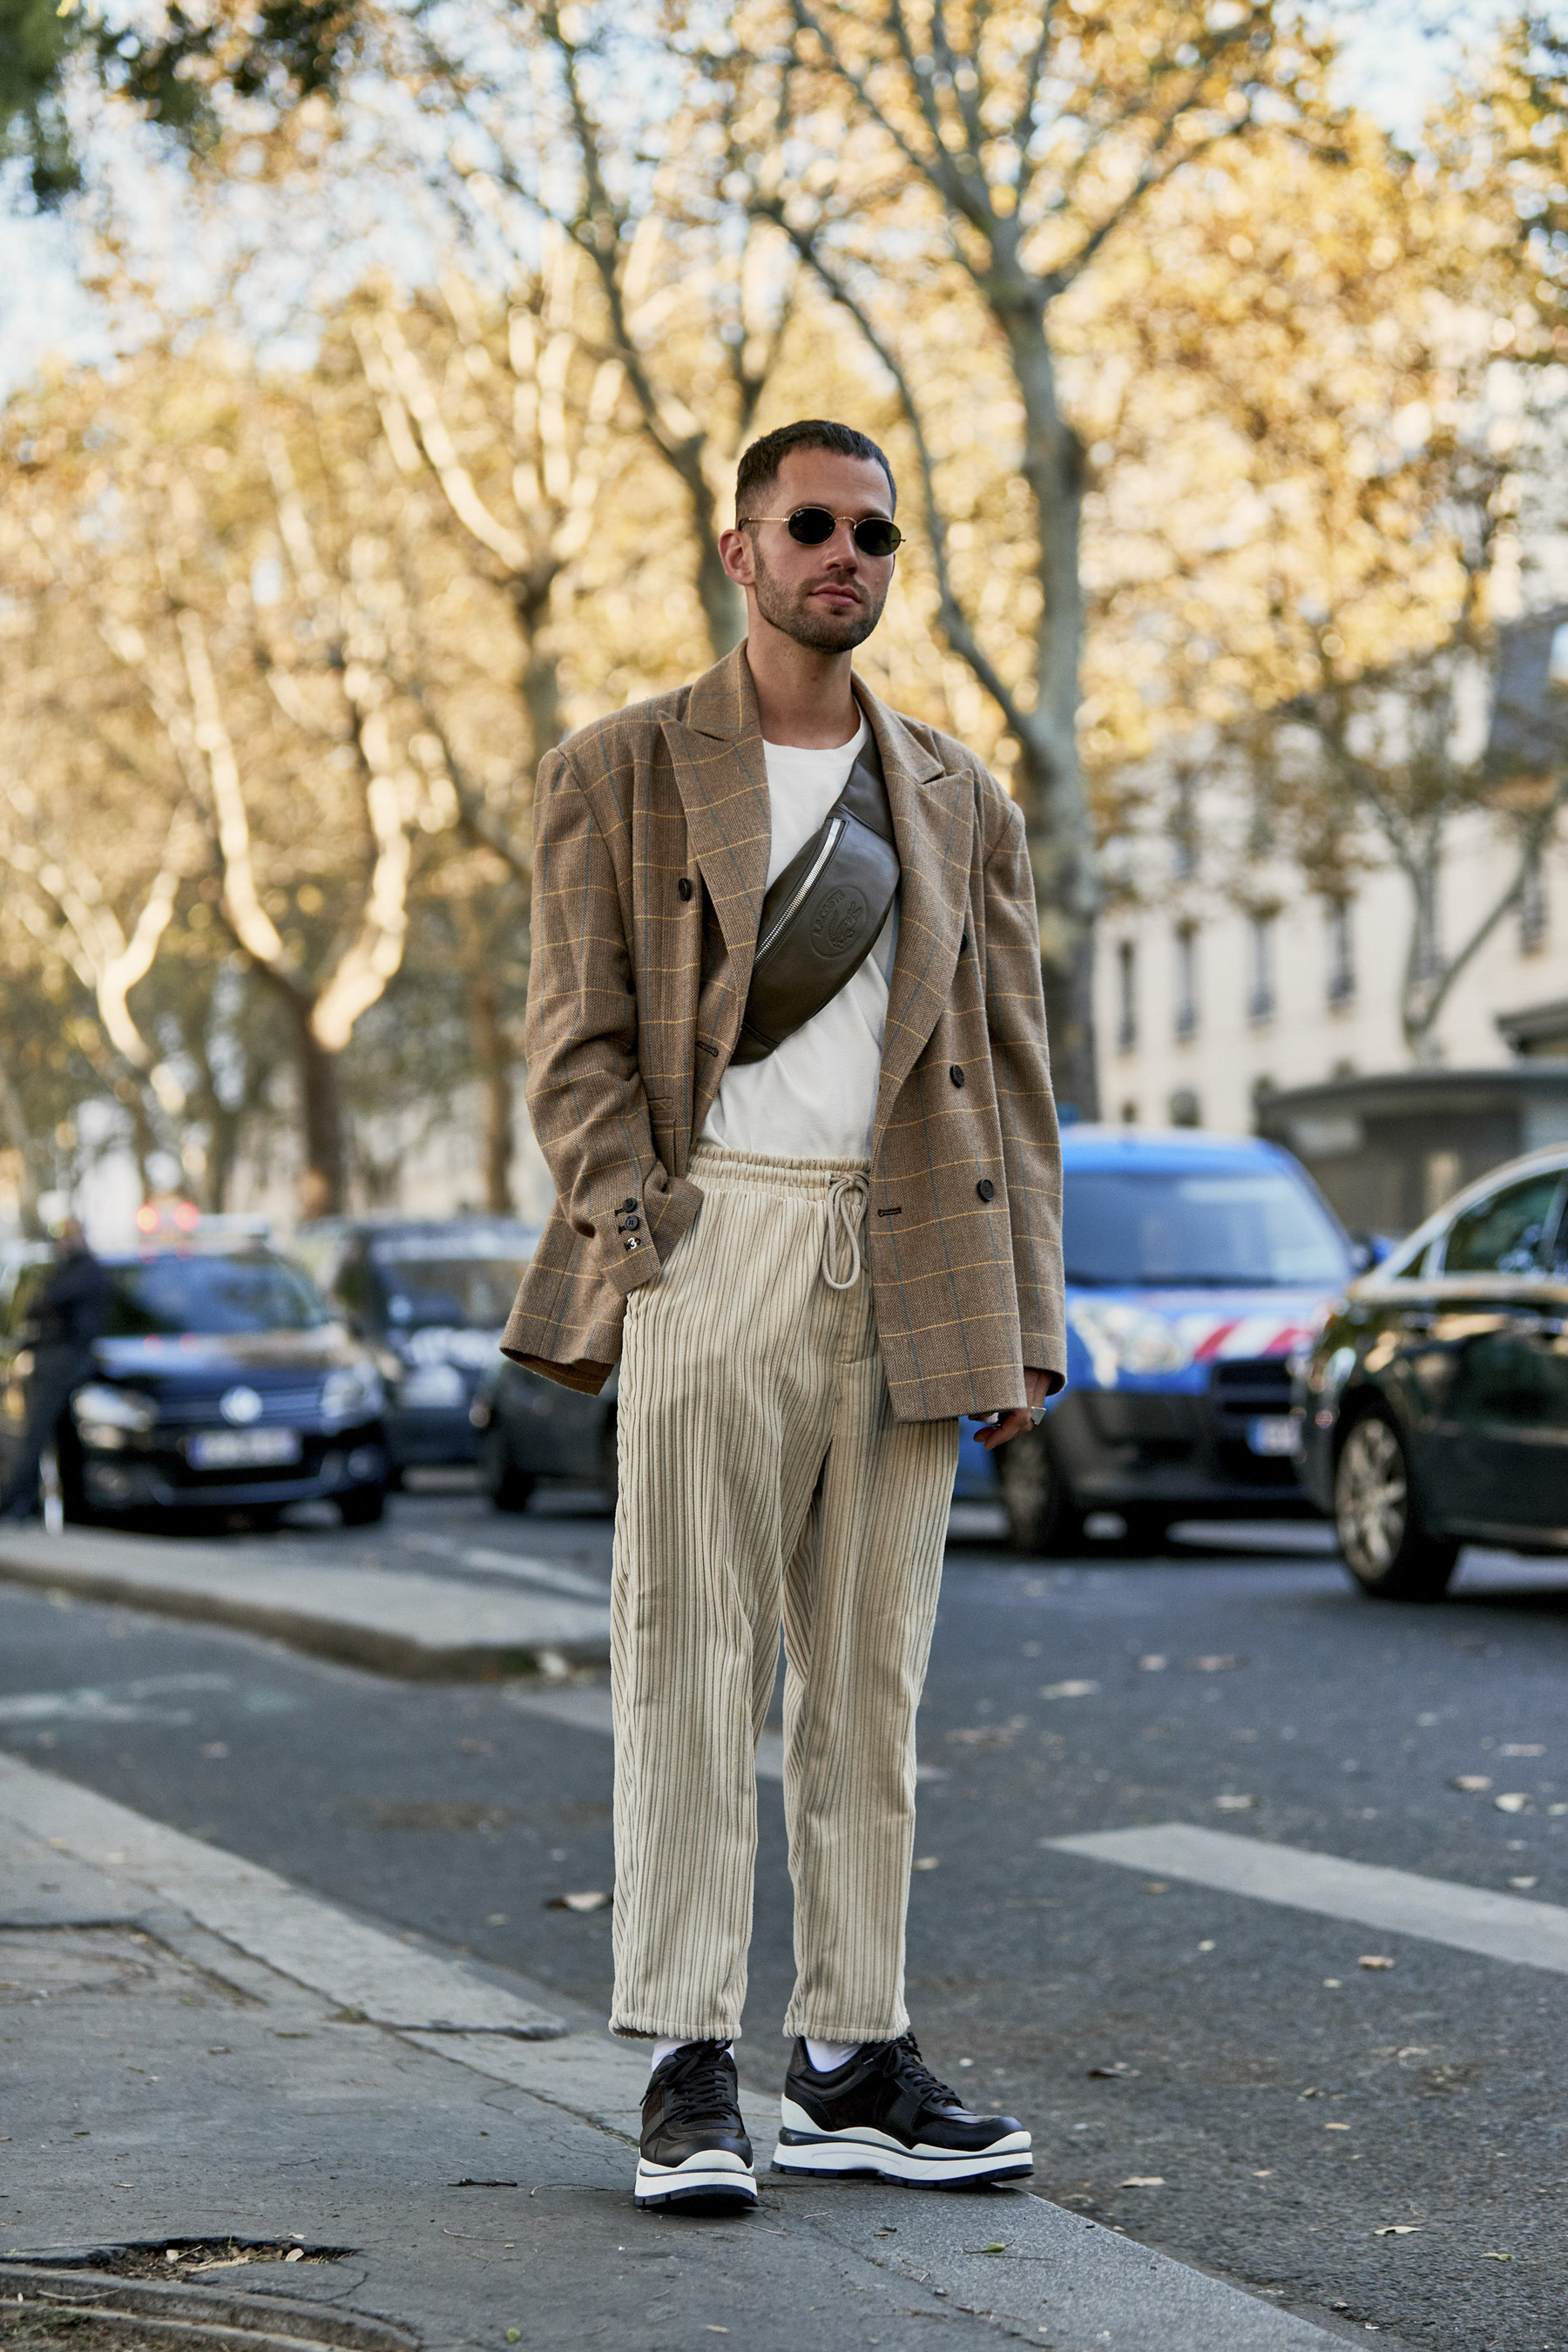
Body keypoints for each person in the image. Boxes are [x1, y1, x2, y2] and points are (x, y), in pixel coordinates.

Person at [504, 419, 1064, 2213]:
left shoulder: (962, 794)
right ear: (739, 552)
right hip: (713, 1240)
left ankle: (849, 2056)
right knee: (688, 1654)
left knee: (871, 1675)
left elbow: (1018, 1078)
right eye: (811, 525)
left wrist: (1027, 1310)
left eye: (876, 531)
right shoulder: (619, 769)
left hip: (911, 1259)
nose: (849, 553)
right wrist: (642, 1223)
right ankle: (686, 2060)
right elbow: (572, 1043)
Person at [0, 1217, 111, 1522]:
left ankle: (16, 1504)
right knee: (59, 1437)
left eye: (68, 1238)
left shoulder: (85, 1272)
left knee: (36, 1435)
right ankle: (59, 1509)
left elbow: (47, 1300)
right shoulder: (66, 1270)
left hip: (64, 1361)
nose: (62, 1244)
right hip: (54, 1359)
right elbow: (34, 1305)